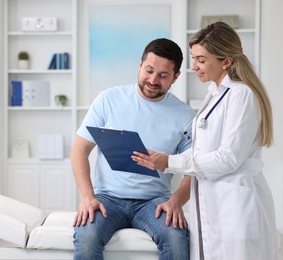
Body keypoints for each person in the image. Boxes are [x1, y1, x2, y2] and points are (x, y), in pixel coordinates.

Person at [132, 22, 279, 260]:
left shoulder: (241, 95)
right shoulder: (215, 93)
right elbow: (203, 151)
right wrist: (164, 160)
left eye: (201, 60)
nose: (193, 67)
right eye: (193, 58)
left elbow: (228, 159)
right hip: (212, 201)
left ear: (226, 62)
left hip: (235, 203)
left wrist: (169, 161)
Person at [70, 38, 195, 260]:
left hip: (155, 201)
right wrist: (88, 197)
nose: (153, 80)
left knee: (176, 239)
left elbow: (194, 167)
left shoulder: (185, 115)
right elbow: (80, 150)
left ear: (175, 77)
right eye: (149, 70)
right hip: (107, 197)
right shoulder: (108, 99)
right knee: (87, 237)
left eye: (163, 75)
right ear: (140, 65)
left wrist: (176, 202)